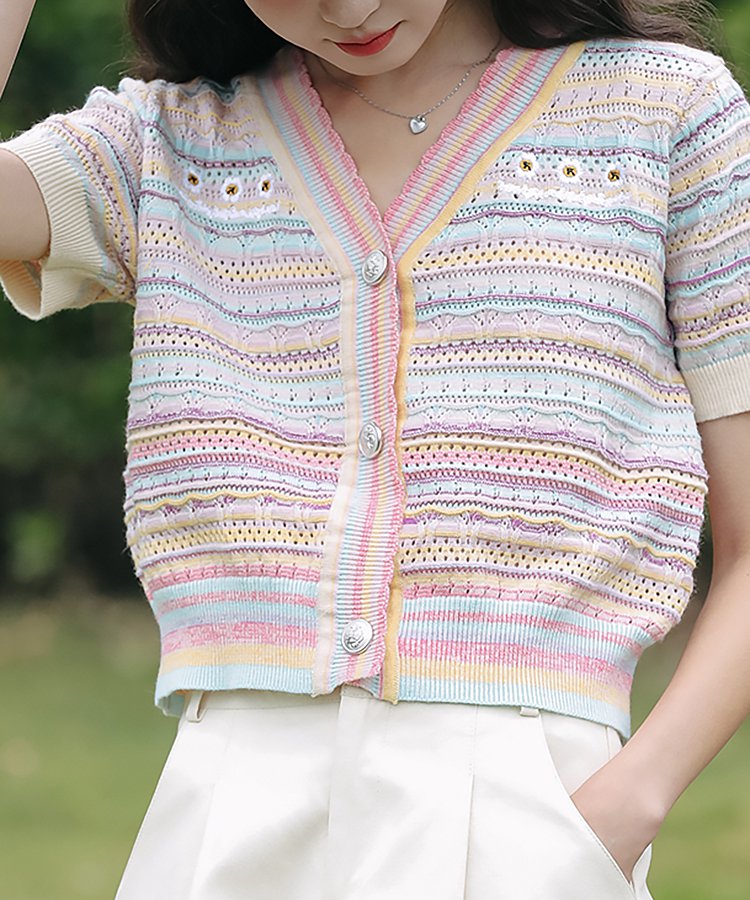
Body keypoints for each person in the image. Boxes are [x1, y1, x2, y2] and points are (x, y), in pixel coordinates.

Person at [2, 0, 750, 897]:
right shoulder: (168, 144)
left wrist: (624, 809)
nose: (350, 7)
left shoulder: (666, 115)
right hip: (225, 816)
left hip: (528, 809)